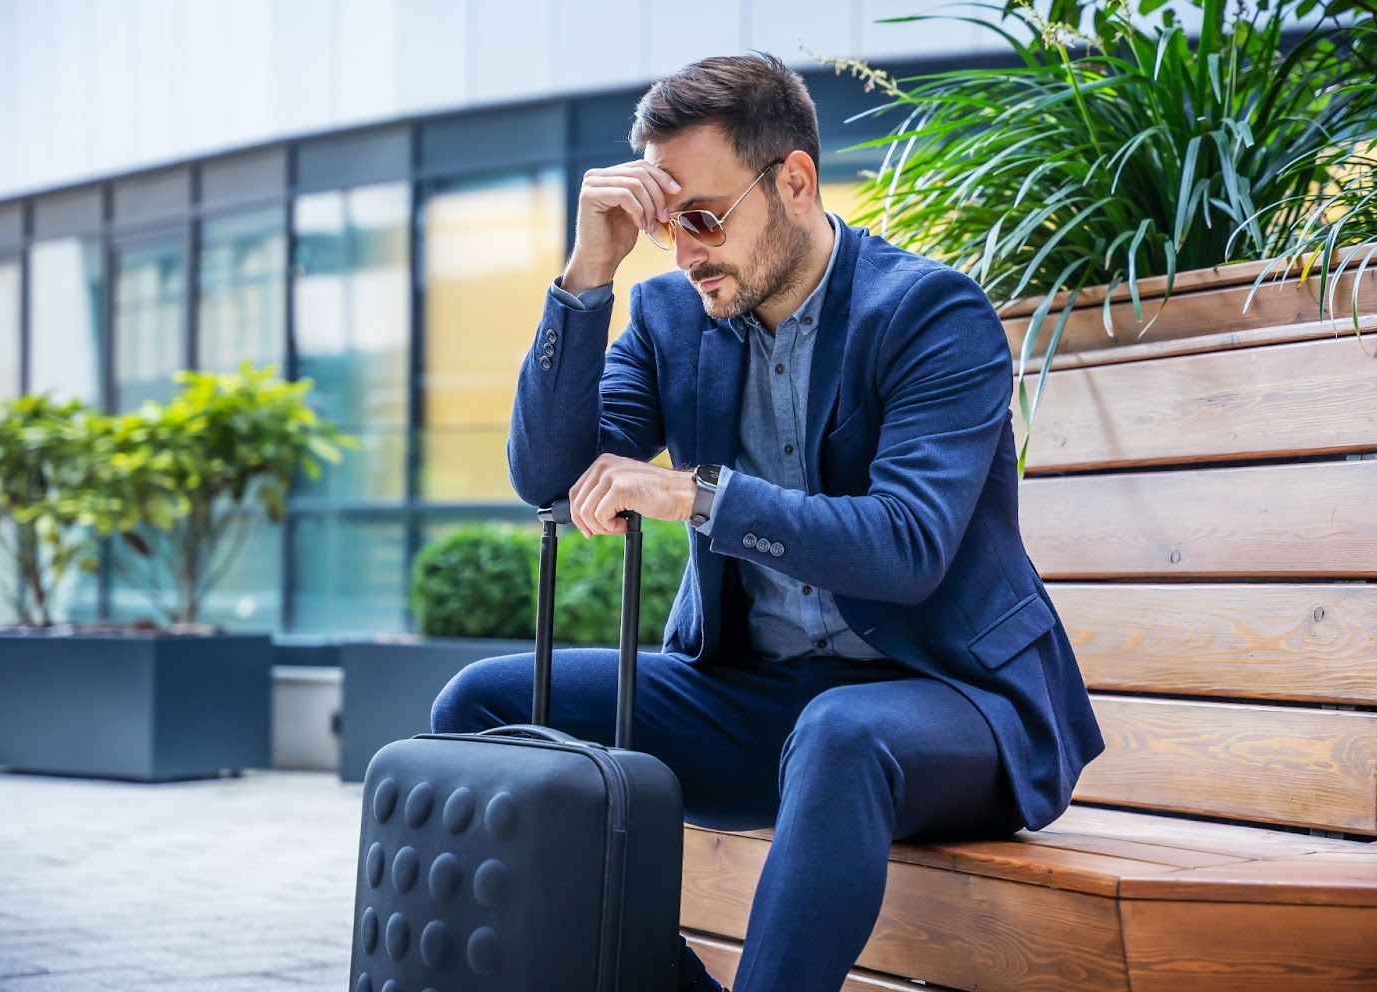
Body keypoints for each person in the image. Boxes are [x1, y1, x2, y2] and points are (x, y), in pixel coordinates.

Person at [430, 52, 1104, 992]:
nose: (685, 252)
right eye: (667, 225)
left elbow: (906, 546)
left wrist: (696, 495)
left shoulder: (927, 313)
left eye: (704, 218)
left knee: (839, 733)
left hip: (953, 703)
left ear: (793, 180)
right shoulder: (671, 317)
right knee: (483, 707)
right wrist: (588, 274)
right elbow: (549, 479)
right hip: (760, 698)